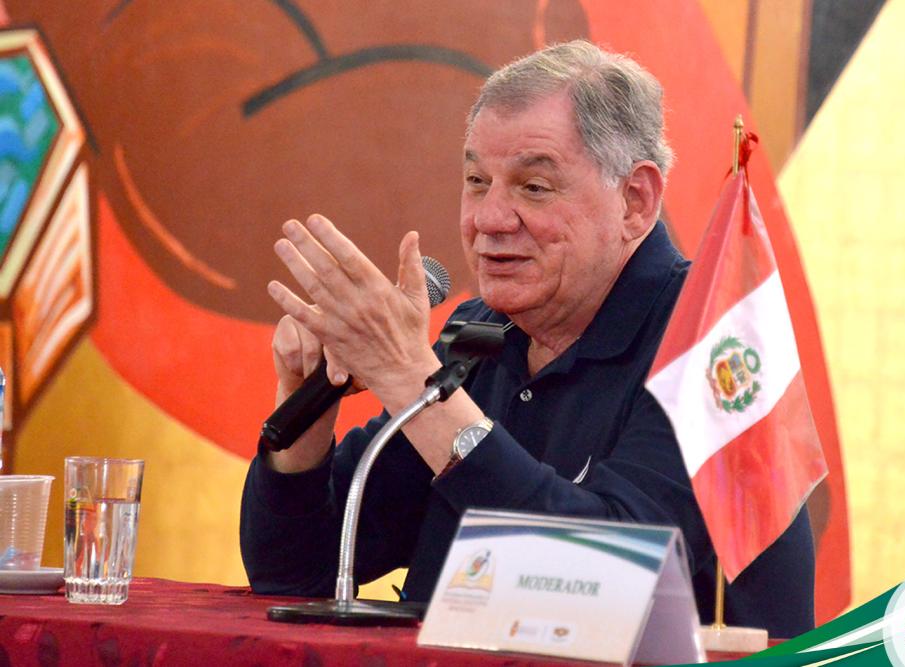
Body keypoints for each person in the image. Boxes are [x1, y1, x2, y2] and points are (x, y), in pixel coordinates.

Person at [240, 40, 816, 637]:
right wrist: (308, 409)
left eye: (533, 187)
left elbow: (608, 582)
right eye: (476, 180)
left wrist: (413, 381)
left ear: (635, 201)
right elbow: (294, 571)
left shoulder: (713, 342)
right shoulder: (482, 335)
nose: (488, 219)